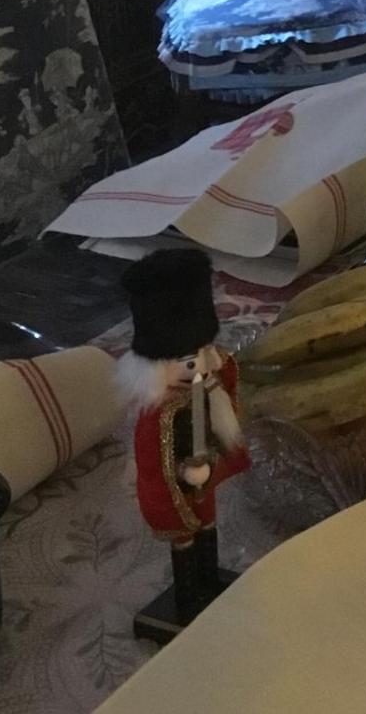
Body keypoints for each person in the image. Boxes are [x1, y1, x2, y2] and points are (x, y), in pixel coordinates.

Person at [118, 248, 249, 636]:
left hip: (204, 476)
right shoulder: (158, 412)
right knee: (184, 536)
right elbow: (152, 456)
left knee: (208, 522)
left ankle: (210, 580)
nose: (199, 368)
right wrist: (182, 471)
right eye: (189, 362)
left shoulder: (209, 386)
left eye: (202, 355)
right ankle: (188, 597)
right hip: (177, 486)